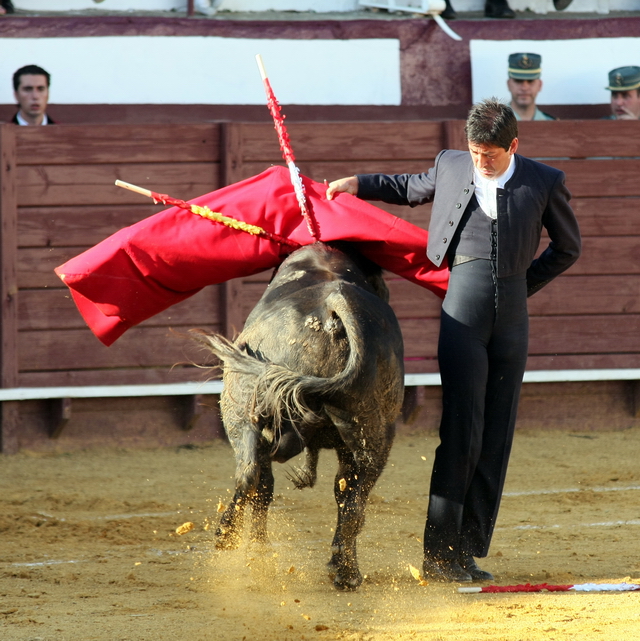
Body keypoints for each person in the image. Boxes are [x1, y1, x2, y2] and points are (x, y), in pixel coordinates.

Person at [326, 98, 581, 582]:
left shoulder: (544, 180)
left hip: (512, 317)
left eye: (491, 154)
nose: (481, 161)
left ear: (514, 146)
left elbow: (568, 248)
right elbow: (407, 187)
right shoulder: (451, 163)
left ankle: (468, 549)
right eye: (476, 150)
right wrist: (359, 183)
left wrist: (520, 285)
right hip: (462, 307)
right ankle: (439, 556)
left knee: (497, 434)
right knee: (462, 430)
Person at [507, 53, 556, 121]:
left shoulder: (551, 124)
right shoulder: (492, 125)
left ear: (539, 85)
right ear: (508, 84)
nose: (524, 88)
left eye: (530, 81)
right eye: (518, 81)